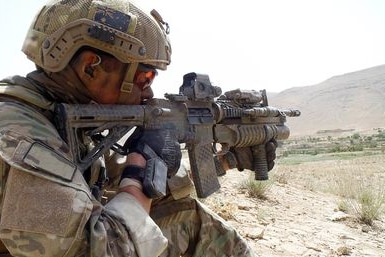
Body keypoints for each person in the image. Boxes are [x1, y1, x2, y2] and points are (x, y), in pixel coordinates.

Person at [0, 0, 277, 256]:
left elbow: (129, 183)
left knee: (186, 215)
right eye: (144, 76)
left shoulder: (58, 119)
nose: (149, 91)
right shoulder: (19, 137)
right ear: (90, 68)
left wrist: (225, 161)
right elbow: (99, 248)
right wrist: (141, 168)